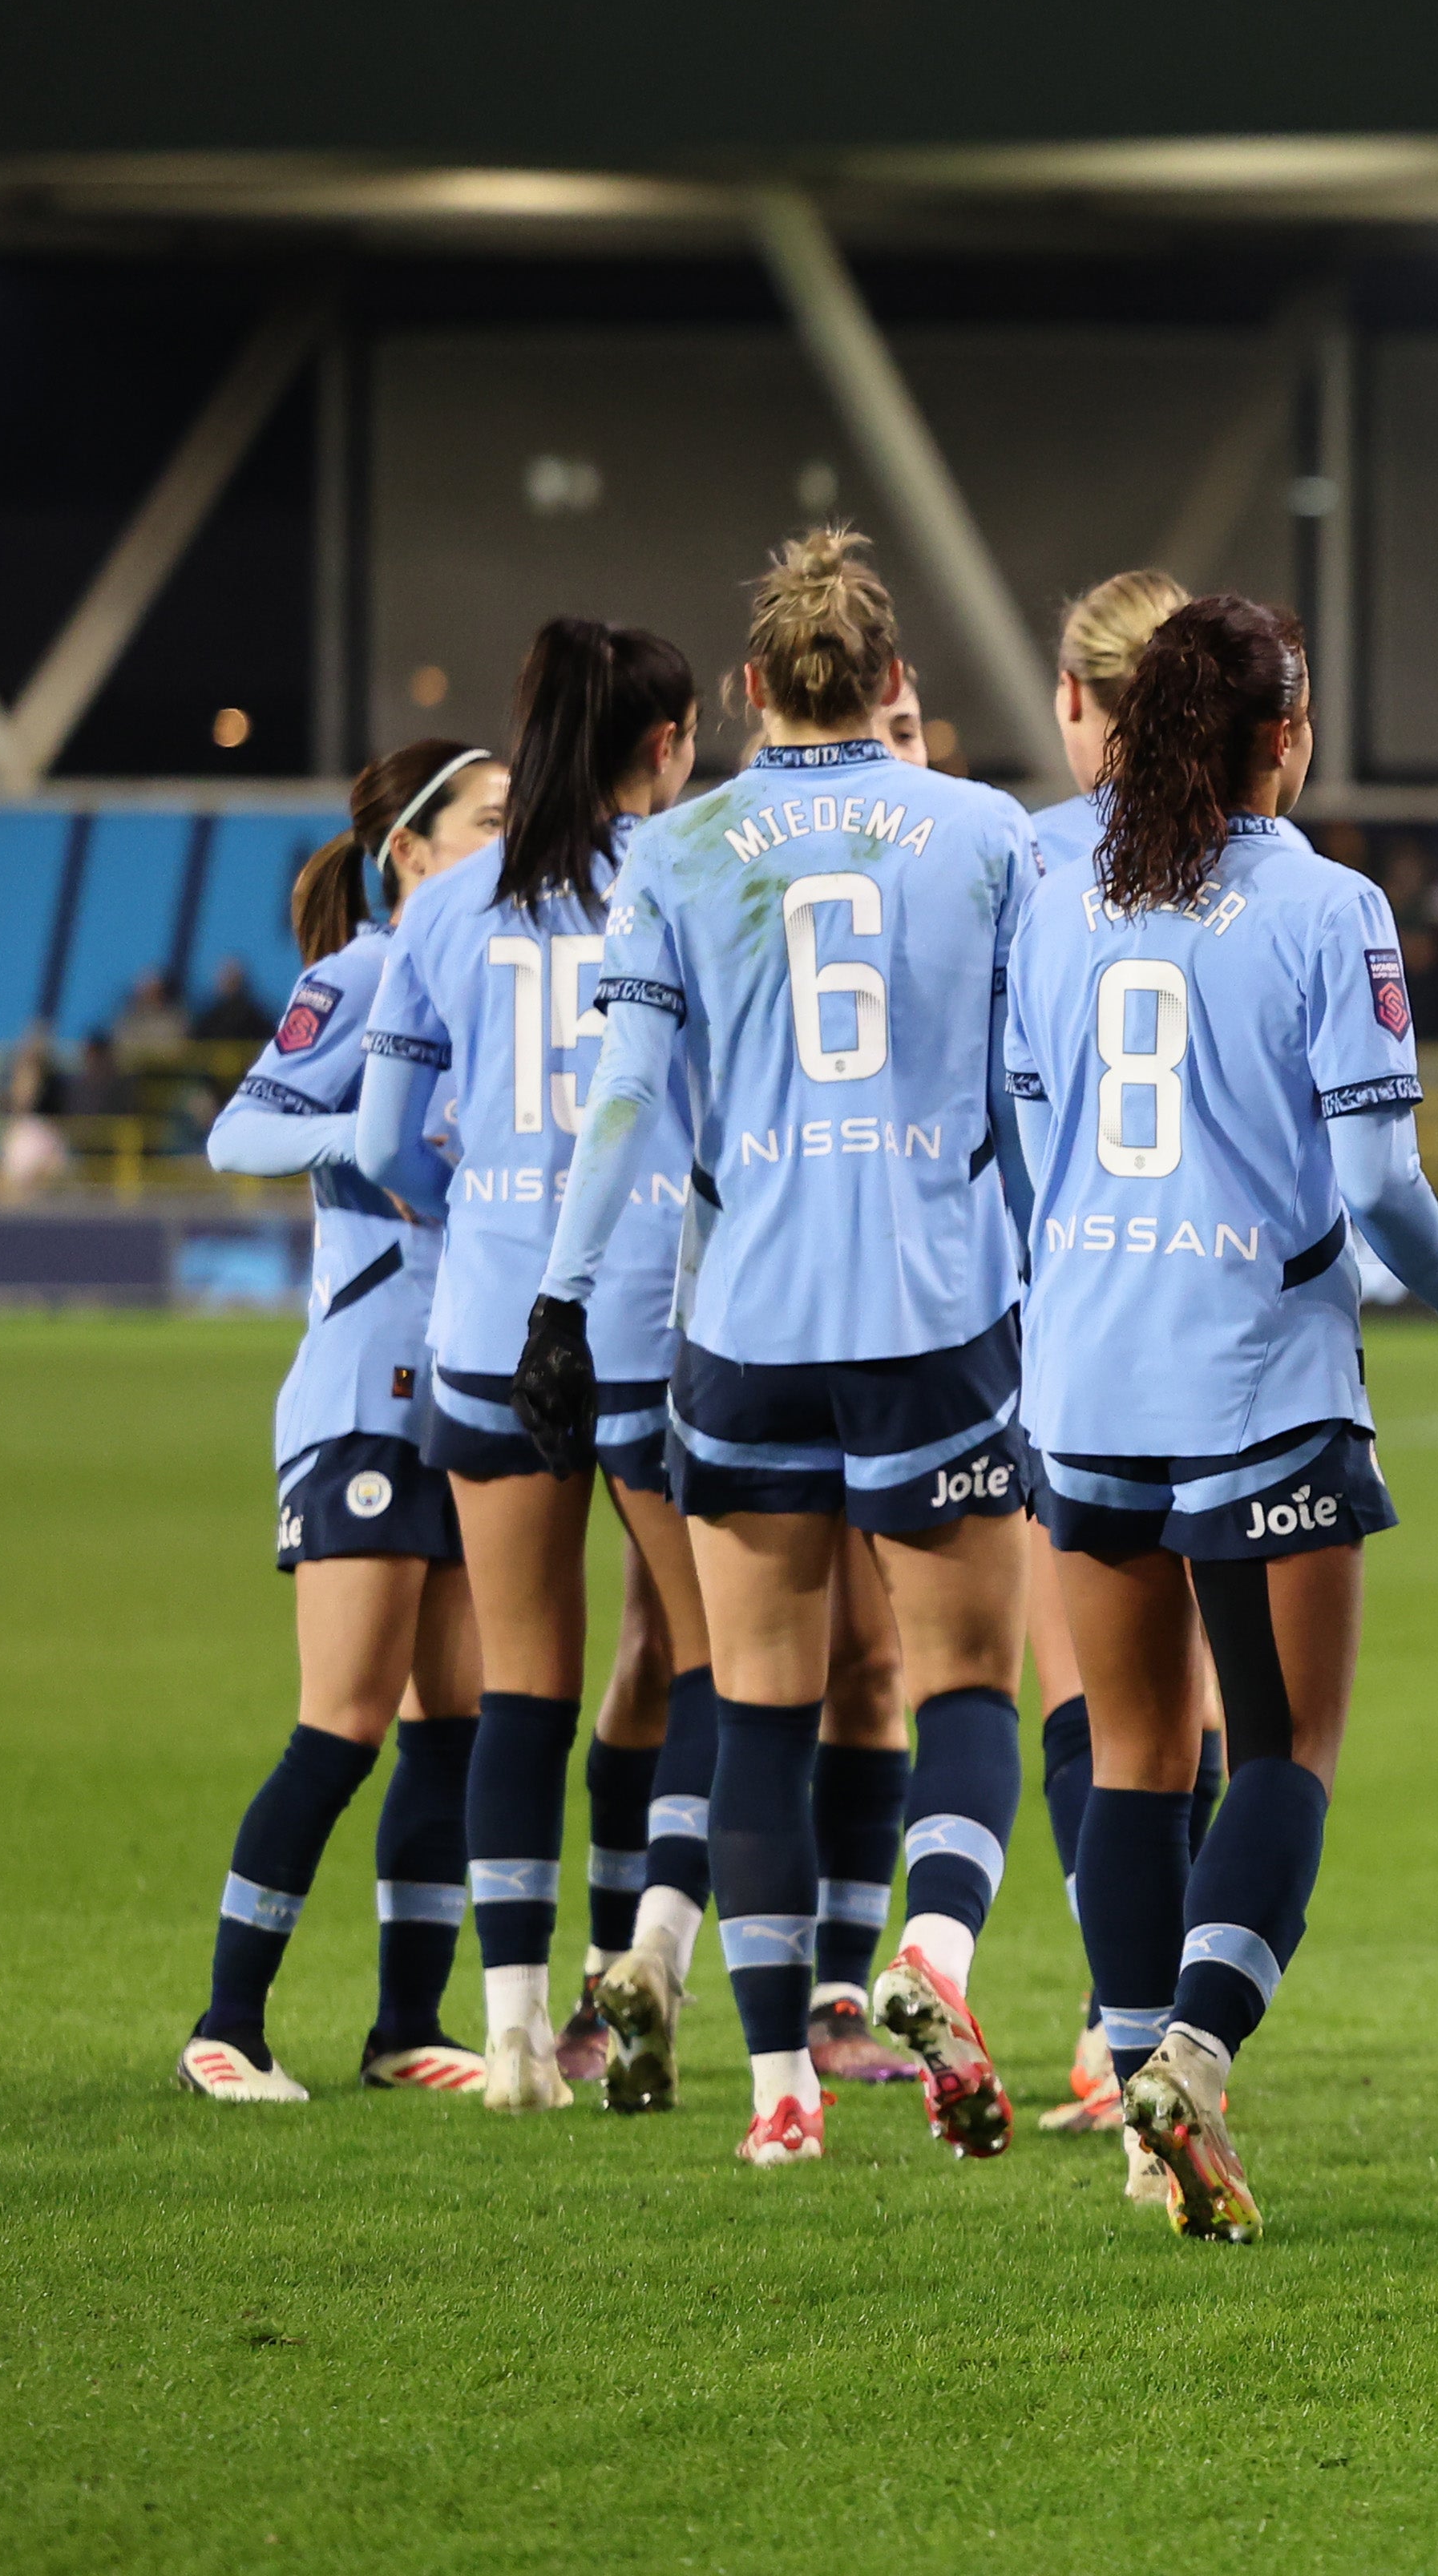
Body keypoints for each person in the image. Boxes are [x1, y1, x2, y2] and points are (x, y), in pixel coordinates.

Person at [1004, 593, 1438, 2238]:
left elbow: (1025, 1135)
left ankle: (1135, 2089)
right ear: (1283, 734)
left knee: (1138, 1749)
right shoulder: (1330, 903)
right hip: (1257, 1371)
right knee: (1284, 1740)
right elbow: (1377, 1173)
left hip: (1082, 1370)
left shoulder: (1059, 896)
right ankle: (1198, 2054)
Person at [519, 527, 1039, 2170]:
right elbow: (1028, 1091)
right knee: (961, 1679)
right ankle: (929, 1956)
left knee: (754, 1704)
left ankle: (776, 2101)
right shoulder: (984, 831)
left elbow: (621, 1103)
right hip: (937, 1316)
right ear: (897, 685)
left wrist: (556, 1295)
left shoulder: (678, 853)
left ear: (749, 690)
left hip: (741, 1319)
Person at [351, 626, 713, 2114]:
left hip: (488, 1331)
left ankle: (507, 2037)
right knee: (721, 1667)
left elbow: (382, 1146)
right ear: (669, 744)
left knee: (524, 1690)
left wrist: (483, 1207)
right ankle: (652, 1951)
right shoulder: (681, 884)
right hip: (640, 1322)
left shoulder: (444, 917)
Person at [179, 741, 512, 2102]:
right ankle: (229, 2025)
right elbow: (238, 1137)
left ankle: (404, 2028)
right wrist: (370, 1134)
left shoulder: (493, 988)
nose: (514, 844)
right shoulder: (366, 973)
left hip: (464, 1391)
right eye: (490, 824)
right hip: (366, 1388)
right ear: (412, 854)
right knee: (347, 1717)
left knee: (460, 1720)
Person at [1012, 572, 1239, 2146]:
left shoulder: (1027, 860)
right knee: (1202, 1709)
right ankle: (1170, 2040)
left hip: (1051, 1314)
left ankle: (1119, 2030)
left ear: (1077, 701)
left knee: (1086, 1690)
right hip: (1224, 1327)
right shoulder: (1269, 865)